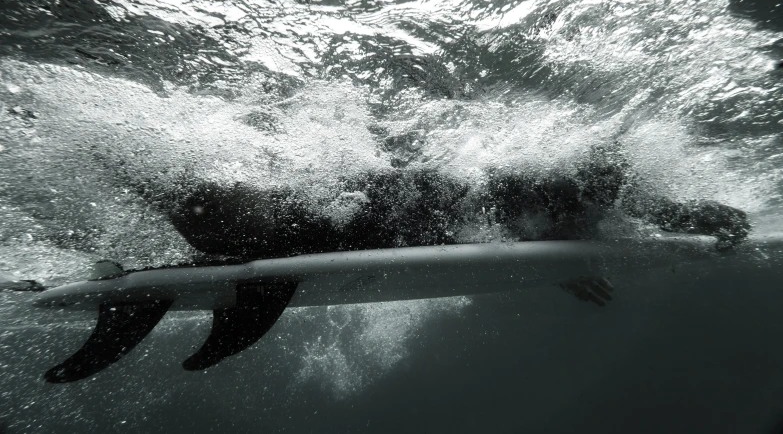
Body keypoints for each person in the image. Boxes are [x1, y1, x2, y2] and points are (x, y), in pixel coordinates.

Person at [169, 144, 751, 263]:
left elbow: (657, 209)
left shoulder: (600, 187)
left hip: (393, 217)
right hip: (391, 202)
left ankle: (173, 193)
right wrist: (551, 262)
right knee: (244, 226)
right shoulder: (532, 180)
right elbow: (495, 223)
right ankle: (160, 181)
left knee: (246, 230)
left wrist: (712, 215)